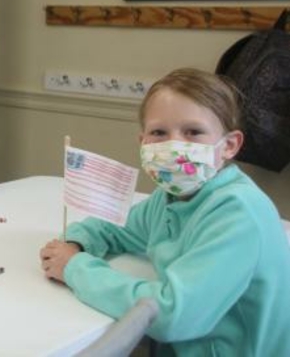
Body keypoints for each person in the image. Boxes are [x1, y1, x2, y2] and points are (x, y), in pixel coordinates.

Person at [39, 68, 290, 356]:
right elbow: (115, 228)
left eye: (193, 132)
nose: (174, 145)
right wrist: (76, 243)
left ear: (229, 145)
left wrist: (75, 268)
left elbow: (171, 315)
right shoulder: (170, 197)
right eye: (159, 133)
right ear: (143, 143)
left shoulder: (238, 212)